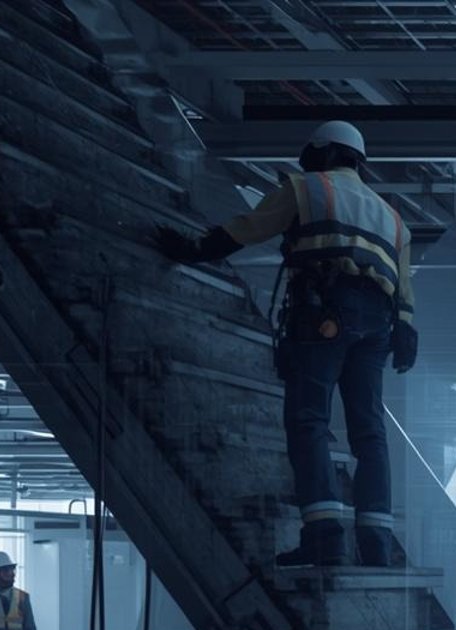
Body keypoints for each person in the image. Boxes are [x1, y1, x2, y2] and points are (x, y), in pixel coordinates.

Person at [155, 120, 415, 569]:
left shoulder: (307, 188)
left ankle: (325, 536)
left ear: (326, 154)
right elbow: (403, 290)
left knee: (309, 418)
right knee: (370, 432)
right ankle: (376, 543)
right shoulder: (392, 218)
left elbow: (246, 229)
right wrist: (407, 330)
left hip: (325, 310)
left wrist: (193, 250)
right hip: (379, 325)